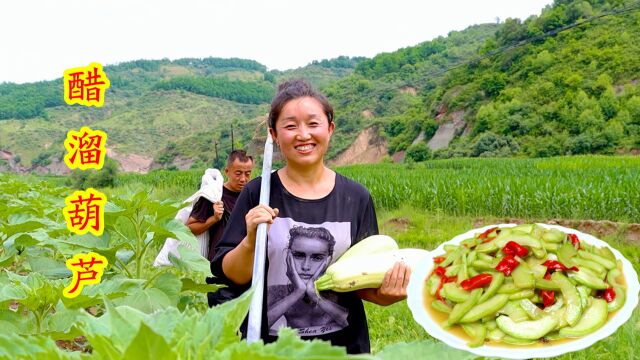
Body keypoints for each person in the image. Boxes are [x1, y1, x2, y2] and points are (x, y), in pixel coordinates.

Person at [211, 79, 410, 354]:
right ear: (275, 134)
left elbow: (363, 279)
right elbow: (233, 275)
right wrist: (250, 241)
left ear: (330, 129)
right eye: (291, 126)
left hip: (344, 350)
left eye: (313, 124)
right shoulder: (258, 193)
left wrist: (385, 295)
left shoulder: (356, 197)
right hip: (271, 352)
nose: (303, 134)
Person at [187, 150, 253, 261]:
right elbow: (190, 228)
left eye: (247, 174)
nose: (243, 179)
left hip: (245, 263)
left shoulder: (252, 195)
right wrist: (214, 219)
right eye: (238, 173)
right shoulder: (213, 195)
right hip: (219, 262)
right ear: (227, 171)